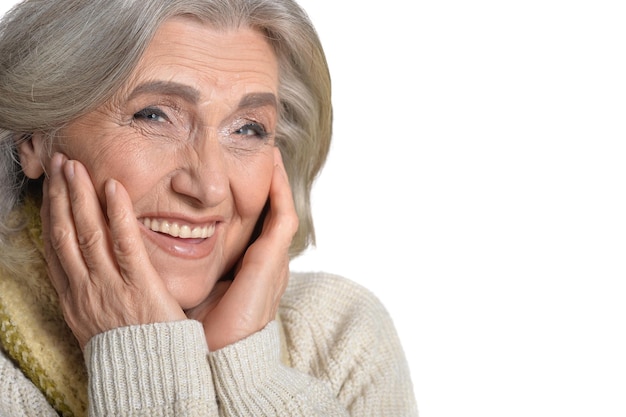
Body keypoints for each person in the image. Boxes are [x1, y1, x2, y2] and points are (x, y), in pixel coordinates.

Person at [0, 0, 418, 415]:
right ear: (36, 137)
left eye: (248, 129)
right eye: (154, 116)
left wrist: (250, 375)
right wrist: (145, 362)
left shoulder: (341, 334)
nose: (210, 186)